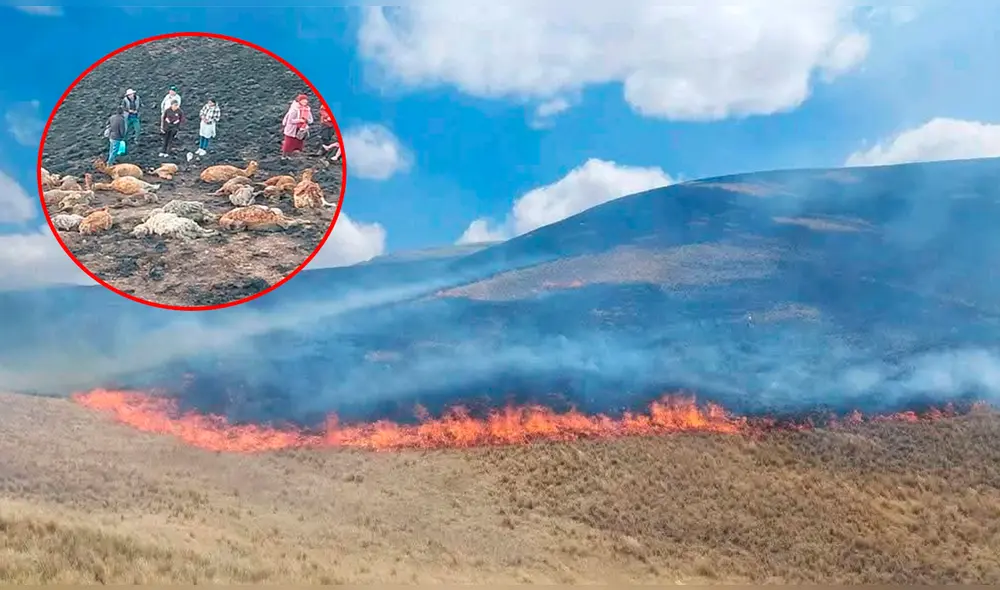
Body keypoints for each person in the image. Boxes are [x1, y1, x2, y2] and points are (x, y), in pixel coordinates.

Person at [280, 93, 313, 159]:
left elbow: (310, 119)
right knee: (289, 143)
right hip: (292, 129)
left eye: (306, 100)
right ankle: (284, 156)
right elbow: (290, 120)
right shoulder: (294, 109)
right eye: (303, 100)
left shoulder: (307, 109)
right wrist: (299, 120)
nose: (305, 102)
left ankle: (291, 155)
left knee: (297, 142)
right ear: (299, 101)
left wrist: (307, 121)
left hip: (301, 129)